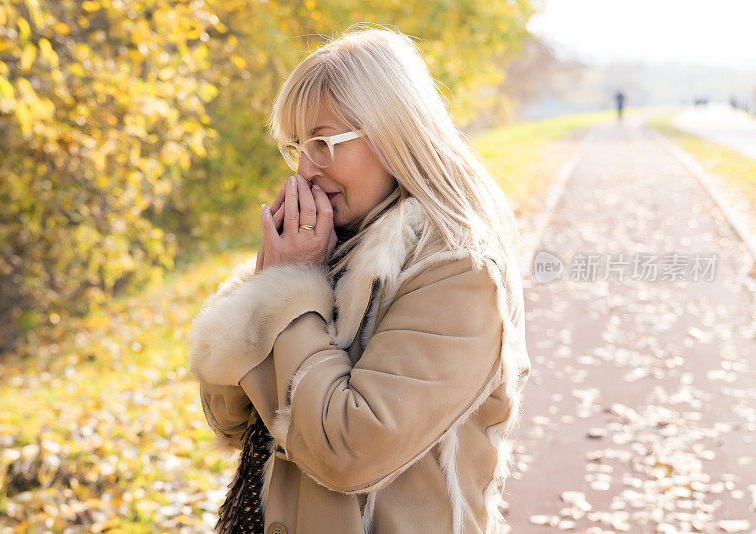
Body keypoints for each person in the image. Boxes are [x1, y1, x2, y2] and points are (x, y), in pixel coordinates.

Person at [187, 25, 531, 534]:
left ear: (396, 135)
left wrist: (290, 292)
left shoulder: (459, 271)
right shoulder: (329, 245)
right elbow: (230, 417)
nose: (305, 168)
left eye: (324, 142)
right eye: (298, 146)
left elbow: (348, 450)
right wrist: (265, 286)